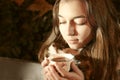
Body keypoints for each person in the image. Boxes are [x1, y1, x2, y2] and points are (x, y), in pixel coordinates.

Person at [38, 0, 120, 80]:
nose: (69, 32)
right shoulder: (55, 53)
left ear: (99, 22)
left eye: (79, 22)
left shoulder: (115, 62)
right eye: (62, 21)